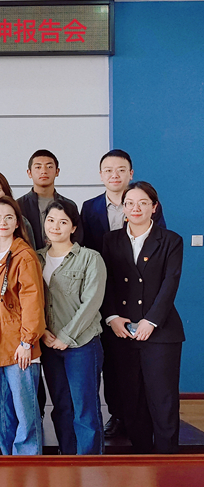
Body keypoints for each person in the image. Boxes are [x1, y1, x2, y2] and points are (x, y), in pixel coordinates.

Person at [80, 149, 166, 438]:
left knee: (144, 362)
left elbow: (160, 247)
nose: (114, 175)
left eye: (120, 170)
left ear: (130, 173)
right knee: (113, 360)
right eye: (108, 170)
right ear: (101, 175)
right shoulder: (89, 207)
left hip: (141, 292)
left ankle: (144, 419)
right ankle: (118, 414)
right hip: (107, 291)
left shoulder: (145, 201)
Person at [101, 181, 184, 454]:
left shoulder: (171, 240)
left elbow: (170, 283)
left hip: (161, 332)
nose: (135, 208)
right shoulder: (110, 240)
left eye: (143, 203)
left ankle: (167, 460)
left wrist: (151, 321)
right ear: (123, 208)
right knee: (132, 400)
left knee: (163, 400)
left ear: (154, 207)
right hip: (122, 330)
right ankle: (142, 460)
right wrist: (112, 317)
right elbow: (106, 282)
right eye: (130, 203)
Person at [37, 200, 106, 455]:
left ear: (73, 227)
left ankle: (90, 465)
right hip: (48, 344)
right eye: (51, 220)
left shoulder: (90, 258)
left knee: (85, 409)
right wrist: (42, 331)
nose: (55, 226)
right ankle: (67, 460)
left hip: (82, 344)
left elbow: (92, 303)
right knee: (62, 407)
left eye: (63, 222)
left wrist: (66, 336)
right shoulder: (36, 257)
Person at [0, 196, 45, 455]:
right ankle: (9, 459)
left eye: (9, 217)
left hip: (19, 346)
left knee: (25, 411)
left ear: (17, 222)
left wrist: (26, 342)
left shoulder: (24, 255)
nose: (3, 222)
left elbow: (33, 301)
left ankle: (28, 463)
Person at [17, 150, 83, 251]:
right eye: (38, 167)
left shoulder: (69, 205)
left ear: (57, 172)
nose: (44, 171)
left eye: (49, 167)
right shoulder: (18, 205)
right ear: (29, 173)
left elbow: (77, 238)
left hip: (63, 258)